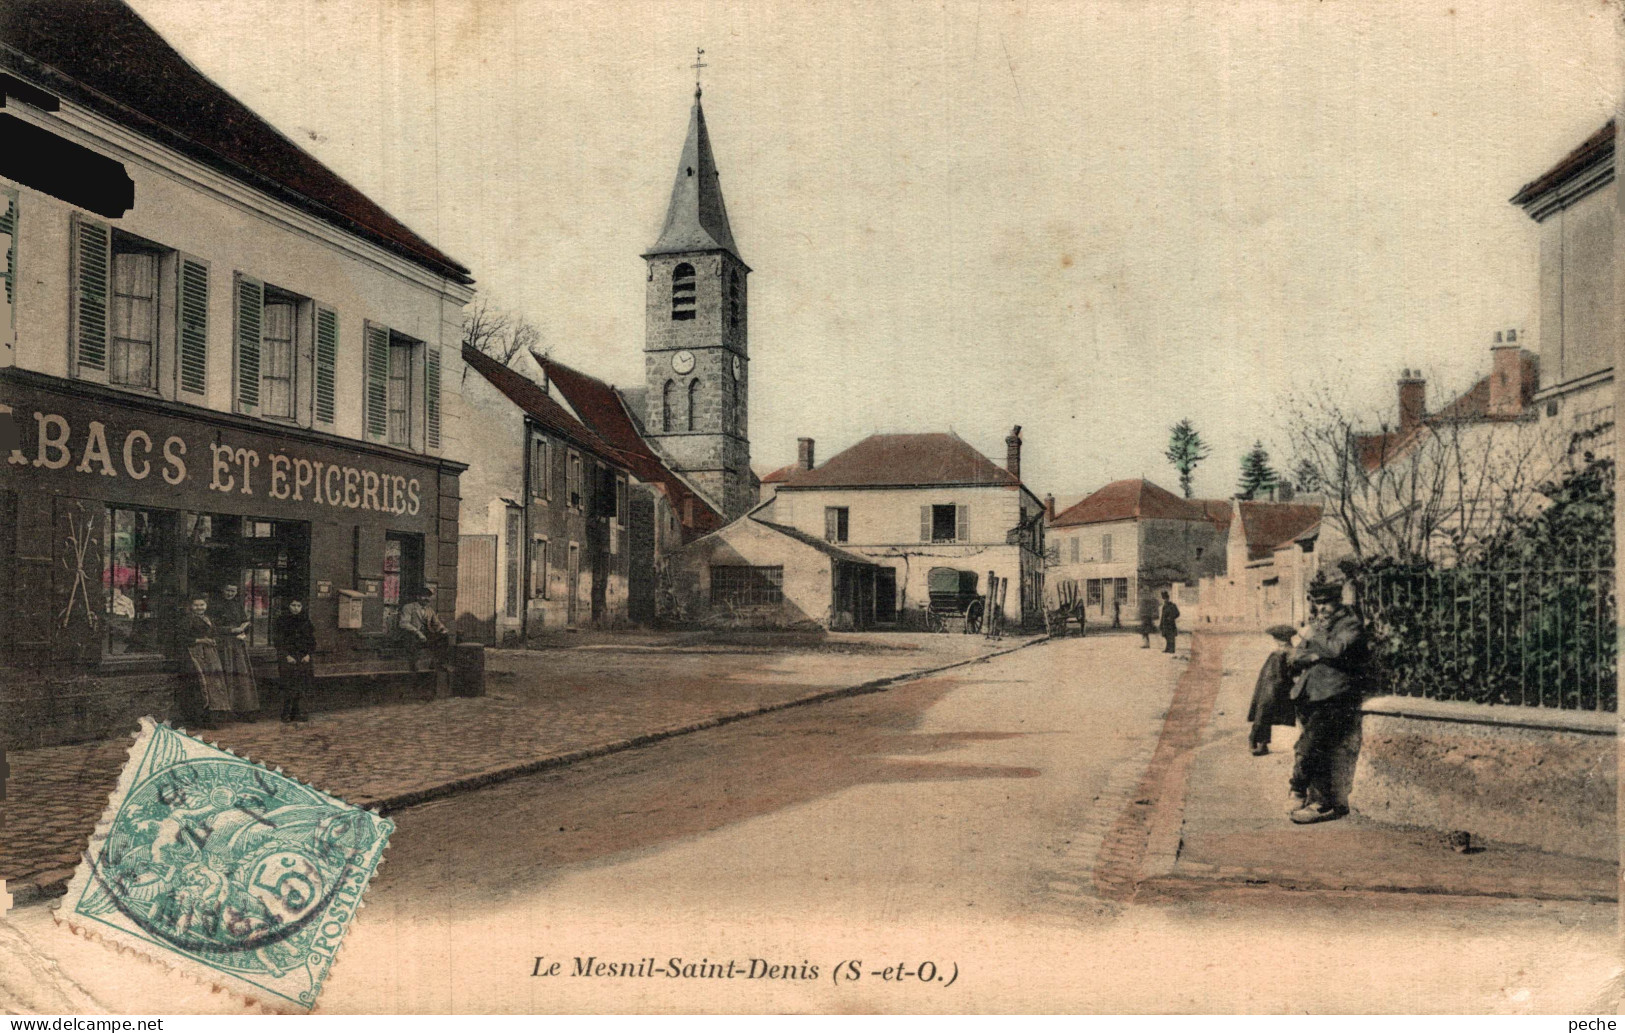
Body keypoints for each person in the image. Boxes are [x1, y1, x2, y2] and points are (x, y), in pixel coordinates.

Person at [1285, 581, 1367, 825]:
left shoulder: (1349, 624)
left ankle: (1311, 797)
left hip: (1336, 696)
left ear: (1337, 602)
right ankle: (1314, 799)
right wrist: (1311, 653)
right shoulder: (1320, 626)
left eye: (1326, 603)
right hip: (1310, 695)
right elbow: (1295, 656)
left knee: (1310, 745)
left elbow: (1337, 649)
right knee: (1316, 747)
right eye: (1318, 603)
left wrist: (1316, 643)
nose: (1321, 608)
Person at [1246, 624, 1299, 755]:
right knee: (1266, 713)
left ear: (1279, 639)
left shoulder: (1278, 655)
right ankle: (1261, 743)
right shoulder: (1294, 652)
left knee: (1264, 712)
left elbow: (1272, 677)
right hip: (1284, 687)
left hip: (1272, 688)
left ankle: (1258, 742)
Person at [181, 595, 230, 729]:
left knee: (213, 683)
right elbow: (182, 637)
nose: (199, 608)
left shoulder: (209, 619)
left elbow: (216, 634)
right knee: (199, 684)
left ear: (206, 606)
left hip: (210, 654)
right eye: (196, 605)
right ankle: (195, 719)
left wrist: (214, 640)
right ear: (191, 606)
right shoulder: (187, 620)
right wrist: (201, 640)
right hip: (194, 654)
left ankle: (210, 718)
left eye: (202, 605)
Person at [213, 582, 260, 720]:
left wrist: (245, 626)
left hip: (238, 645)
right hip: (223, 645)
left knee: (241, 675)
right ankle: (226, 711)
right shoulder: (215, 606)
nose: (230, 594)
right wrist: (231, 630)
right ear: (223, 590)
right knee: (226, 675)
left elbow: (244, 621)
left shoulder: (237, 605)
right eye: (228, 590)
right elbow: (212, 627)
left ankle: (243, 709)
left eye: (233, 591)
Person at [276, 598, 317, 723]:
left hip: (303, 658)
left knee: (302, 686)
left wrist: (308, 654)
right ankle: (286, 714)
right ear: (288, 606)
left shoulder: (306, 621)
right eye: (293, 605)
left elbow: (312, 641)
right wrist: (286, 655)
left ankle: (298, 713)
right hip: (288, 658)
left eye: (298, 605)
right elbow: (278, 641)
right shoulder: (281, 621)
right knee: (289, 686)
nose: (296, 608)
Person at [398, 590, 450, 672]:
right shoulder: (408, 607)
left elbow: (436, 623)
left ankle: (437, 663)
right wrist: (418, 632)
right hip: (412, 634)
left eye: (428, 597)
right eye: (424, 596)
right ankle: (413, 664)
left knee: (444, 637)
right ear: (418, 597)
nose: (427, 599)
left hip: (426, 634)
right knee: (411, 638)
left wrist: (443, 629)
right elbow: (404, 623)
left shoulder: (429, 610)